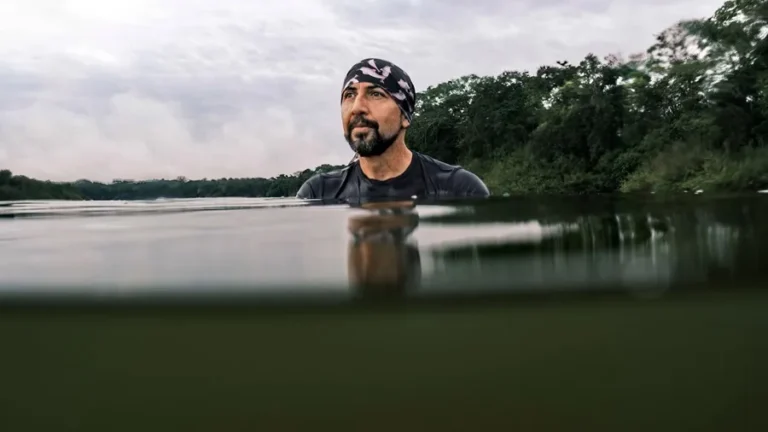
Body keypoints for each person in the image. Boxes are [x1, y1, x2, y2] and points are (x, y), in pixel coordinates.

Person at [296, 58, 489, 202]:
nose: (357, 107)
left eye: (375, 94)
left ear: (405, 116)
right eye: (349, 95)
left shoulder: (459, 188)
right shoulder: (318, 192)